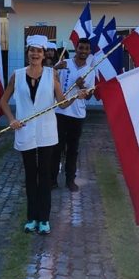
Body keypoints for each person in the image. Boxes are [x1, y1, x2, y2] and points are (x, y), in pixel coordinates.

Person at [0, 35, 88, 235]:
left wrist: (77, 96)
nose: (35, 54)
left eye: (39, 51)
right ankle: (31, 218)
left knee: (46, 175)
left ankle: (44, 219)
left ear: (44, 54)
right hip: (24, 130)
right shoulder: (17, 75)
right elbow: (3, 101)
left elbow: (62, 103)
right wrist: (11, 119)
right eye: (31, 50)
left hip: (47, 132)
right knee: (31, 175)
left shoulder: (52, 75)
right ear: (27, 53)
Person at [52, 37, 95, 191]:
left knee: (72, 149)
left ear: (89, 51)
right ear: (76, 49)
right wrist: (56, 67)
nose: (83, 51)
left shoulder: (90, 70)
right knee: (56, 148)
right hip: (60, 111)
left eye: (86, 49)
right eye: (81, 48)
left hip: (77, 115)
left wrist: (82, 87)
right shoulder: (65, 64)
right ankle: (52, 179)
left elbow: (89, 95)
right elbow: (50, 75)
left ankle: (70, 179)